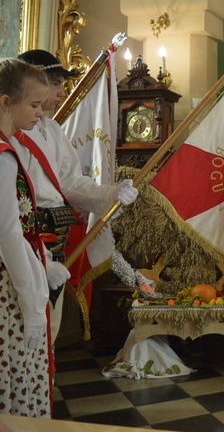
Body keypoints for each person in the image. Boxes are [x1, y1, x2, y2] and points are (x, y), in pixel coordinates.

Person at [14, 49, 139, 342]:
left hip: (54, 240)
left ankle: (43, 384)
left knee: (48, 327)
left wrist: (112, 193)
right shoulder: (10, 132)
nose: (60, 92)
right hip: (23, 240)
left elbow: (71, 184)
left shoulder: (52, 130)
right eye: (54, 83)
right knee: (20, 327)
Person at [0, 58, 56, 418]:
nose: (41, 112)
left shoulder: (11, 147)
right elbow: (7, 231)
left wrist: (46, 264)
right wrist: (32, 304)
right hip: (7, 289)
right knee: (17, 379)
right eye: (34, 105)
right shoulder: (3, 156)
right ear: (6, 101)